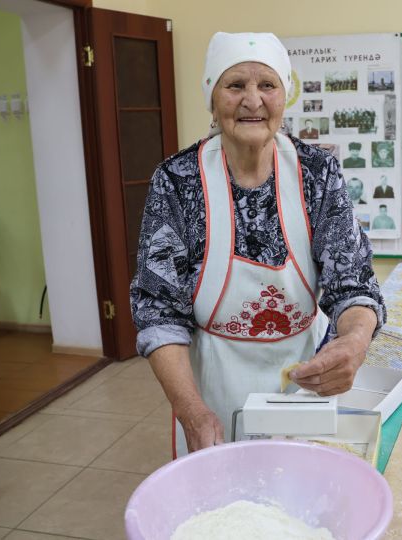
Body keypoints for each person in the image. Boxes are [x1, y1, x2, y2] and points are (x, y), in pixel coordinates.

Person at [129, 32, 385, 457]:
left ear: (285, 96)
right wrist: (191, 411)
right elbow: (158, 312)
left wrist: (354, 342)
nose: (252, 101)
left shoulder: (318, 174)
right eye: (235, 86)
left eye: (267, 85)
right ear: (212, 99)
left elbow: (353, 283)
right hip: (213, 386)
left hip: (306, 380)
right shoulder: (176, 181)